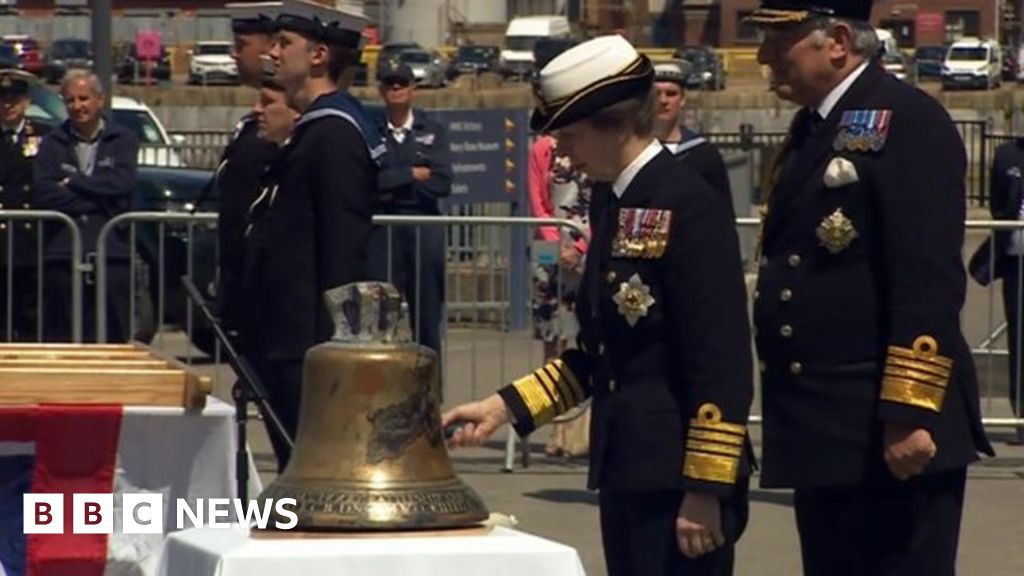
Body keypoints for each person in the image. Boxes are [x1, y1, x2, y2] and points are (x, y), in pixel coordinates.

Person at [443, 35, 753, 576]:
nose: (561, 152)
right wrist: (503, 407)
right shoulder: (613, 198)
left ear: (613, 124)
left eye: (568, 134)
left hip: (678, 480)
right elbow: (602, 353)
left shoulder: (687, 201)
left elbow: (719, 361)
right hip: (627, 466)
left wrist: (706, 488)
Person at [746, 0, 993, 573]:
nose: (763, 57)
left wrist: (909, 409)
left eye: (780, 41)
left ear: (837, 42)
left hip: (884, 427)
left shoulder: (906, 120)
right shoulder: (817, 125)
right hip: (826, 426)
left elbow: (925, 280)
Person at [240, 0, 382, 471]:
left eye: (285, 43)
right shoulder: (312, 131)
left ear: (319, 55)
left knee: (312, 477)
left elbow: (342, 252)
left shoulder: (334, 135)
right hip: (284, 338)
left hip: (308, 347)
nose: (272, 53)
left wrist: (331, 350)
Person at [33, 70, 138, 343]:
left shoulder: (123, 139)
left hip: (111, 252)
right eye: (70, 100)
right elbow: (44, 193)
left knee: (113, 336)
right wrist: (99, 198)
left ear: (99, 100)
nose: (78, 106)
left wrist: (74, 182)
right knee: (63, 336)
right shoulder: (52, 142)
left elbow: (122, 184)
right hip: (63, 253)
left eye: (83, 98)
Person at [369, 60, 451, 357]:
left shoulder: (432, 129)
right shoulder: (372, 130)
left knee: (427, 317)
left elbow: (441, 182)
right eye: (389, 83)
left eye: (401, 83)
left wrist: (392, 183)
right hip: (383, 230)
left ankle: (430, 384)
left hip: (423, 228)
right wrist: (411, 174)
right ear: (381, 90)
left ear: (412, 88)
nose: (396, 88)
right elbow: (369, 181)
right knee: (379, 318)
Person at [214, 2, 282, 333]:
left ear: (271, 47)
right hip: (243, 277)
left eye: (242, 45)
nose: (234, 54)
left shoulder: (287, 125)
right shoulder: (251, 124)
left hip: (269, 284)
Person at [527, 132, 592, 457]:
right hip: (549, 252)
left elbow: (601, 198)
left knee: (586, 338)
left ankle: (584, 429)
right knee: (553, 341)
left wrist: (580, 245)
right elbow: (538, 201)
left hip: (587, 246)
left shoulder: (592, 139)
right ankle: (557, 427)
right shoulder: (542, 148)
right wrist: (557, 243)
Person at [972, 138, 1024, 443]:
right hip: (1017, 264)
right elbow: (998, 205)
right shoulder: (1007, 156)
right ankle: (1022, 418)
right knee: (1020, 342)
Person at [0, 69, 50, 341]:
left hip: (30, 242)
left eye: (14, 98)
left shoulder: (44, 137)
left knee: (30, 319)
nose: (8, 105)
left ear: (27, 101)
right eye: (2, 98)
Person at [652, 59, 734, 218]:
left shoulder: (703, 154)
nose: (663, 101)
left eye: (671, 94)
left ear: (682, 100)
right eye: (656, 94)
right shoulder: (632, 151)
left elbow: (723, 213)